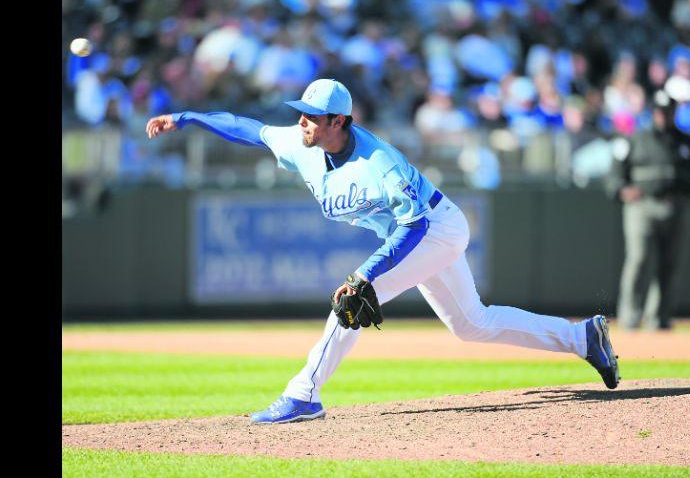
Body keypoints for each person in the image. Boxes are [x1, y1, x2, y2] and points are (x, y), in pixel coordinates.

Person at [145, 78, 621, 424]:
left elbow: (416, 226)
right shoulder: (301, 141)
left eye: (312, 115)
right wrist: (186, 118)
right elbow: (246, 128)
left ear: (339, 121)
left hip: (434, 228)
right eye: (301, 111)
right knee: (472, 324)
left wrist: (365, 275)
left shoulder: (379, 163)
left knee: (351, 302)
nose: (302, 120)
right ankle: (584, 338)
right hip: (417, 233)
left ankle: (304, 393)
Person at [605, 89, 690, 331]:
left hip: (675, 207)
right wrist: (622, 190)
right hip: (642, 206)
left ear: (674, 113)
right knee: (638, 259)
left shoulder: (688, 143)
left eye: (668, 112)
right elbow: (615, 174)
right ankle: (630, 317)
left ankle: (660, 319)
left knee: (670, 264)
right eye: (660, 112)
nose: (663, 116)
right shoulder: (635, 140)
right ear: (653, 113)